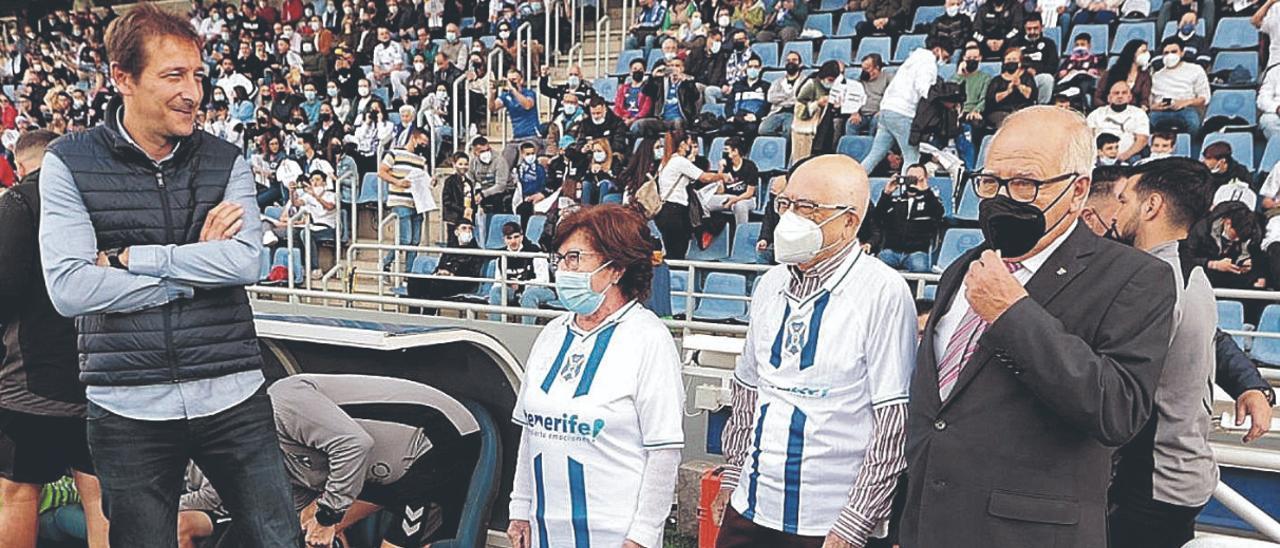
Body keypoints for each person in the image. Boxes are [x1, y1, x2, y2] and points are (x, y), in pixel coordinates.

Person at [38, 6, 301, 546]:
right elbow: (69, 288)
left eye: (198, 75)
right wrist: (194, 267)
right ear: (123, 79)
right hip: (125, 405)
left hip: (233, 395)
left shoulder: (226, 160)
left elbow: (247, 262)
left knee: (279, 539)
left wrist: (137, 258)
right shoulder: (69, 162)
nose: (193, 93)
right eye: (174, 76)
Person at [901, 106, 1177, 548]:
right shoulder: (964, 267)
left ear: (1077, 190)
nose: (1000, 197)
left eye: (1025, 184)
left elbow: (1119, 409)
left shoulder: (1136, 278)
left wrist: (1013, 314)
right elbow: (935, 412)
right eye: (990, 182)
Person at [709, 154, 915, 548]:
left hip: (831, 520)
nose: (789, 218)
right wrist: (733, 477)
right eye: (785, 204)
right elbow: (748, 389)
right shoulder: (770, 284)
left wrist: (854, 525)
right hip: (751, 508)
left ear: (849, 222)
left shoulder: (882, 292)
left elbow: (892, 420)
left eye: (806, 208)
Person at [1084, 158, 1268, 548]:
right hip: (1181, 478)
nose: (1116, 211)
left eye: (1124, 198)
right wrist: (1249, 384)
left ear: (1150, 206)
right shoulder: (1190, 272)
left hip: (1149, 484)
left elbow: (1111, 387)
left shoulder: (1150, 281)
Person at [506, 204, 684, 548]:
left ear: (616, 267)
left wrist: (642, 536)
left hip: (614, 536)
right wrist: (520, 507)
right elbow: (530, 432)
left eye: (575, 259)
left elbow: (663, 452)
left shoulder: (649, 339)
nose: (564, 271)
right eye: (560, 259)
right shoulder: (552, 334)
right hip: (545, 532)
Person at [178, 374, 483, 548]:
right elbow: (210, 496)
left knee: (338, 525)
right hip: (375, 469)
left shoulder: (283, 401)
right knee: (308, 527)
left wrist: (327, 518)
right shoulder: (248, 450)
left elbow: (354, 445)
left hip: (439, 437)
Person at [0, 130, 109, 548]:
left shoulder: (19, 201)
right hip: (100, 376)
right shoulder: (97, 200)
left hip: (30, 380)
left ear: (21, 164)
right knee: (99, 495)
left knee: (17, 490)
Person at [861, 37, 951, 175]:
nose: (944, 60)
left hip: (886, 111)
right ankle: (905, 193)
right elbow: (924, 88)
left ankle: (852, 186)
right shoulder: (928, 63)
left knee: (874, 156)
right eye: (944, 56)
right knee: (912, 159)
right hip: (902, 113)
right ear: (937, 50)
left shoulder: (912, 60)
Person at [655, 130, 734, 260]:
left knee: (671, 251)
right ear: (682, 144)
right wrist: (722, 176)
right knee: (678, 251)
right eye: (688, 143)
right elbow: (704, 178)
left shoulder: (666, 162)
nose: (690, 146)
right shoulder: (679, 161)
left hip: (664, 211)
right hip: (675, 211)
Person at [873, 164, 945, 272]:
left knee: (920, 268)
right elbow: (877, 217)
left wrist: (926, 191)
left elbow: (939, 213)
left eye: (917, 178)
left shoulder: (930, 201)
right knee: (876, 267)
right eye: (910, 177)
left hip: (916, 252)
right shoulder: (895, 200)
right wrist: (886, 193)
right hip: (892, 251)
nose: (912, 181)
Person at [378, 129, 431, 271]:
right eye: (422, 142)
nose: (424, 145)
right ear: (414, 138)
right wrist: (397, 182)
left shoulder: (421, 160)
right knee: (405, 239)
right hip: (400, 200)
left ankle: (409, 274)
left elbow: (423, 179)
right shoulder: (394, 153)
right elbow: (381, 171)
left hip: (417, 202)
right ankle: (385, 263)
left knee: (415, 241)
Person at [405, 221, 489, 310]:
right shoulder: (450, 248)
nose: (468, 231)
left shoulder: (476, 251)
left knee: (435, 284)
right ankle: (414, 314)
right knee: (414, 281)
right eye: (464, 228)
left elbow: (472, 272)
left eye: (470, 229)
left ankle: (428, 315)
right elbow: (441, 265)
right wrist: (439, 271)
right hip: (444, 280)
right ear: (456, 232)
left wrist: (452, 273)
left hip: (461, 282)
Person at [487, 222, 555, 323]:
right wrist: (508, 284)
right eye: (509, 238)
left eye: (516, 237)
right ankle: (495, 327)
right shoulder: (501, 256)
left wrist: (522, 285)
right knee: (496, 292)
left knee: (529, 295)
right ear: (504, 239)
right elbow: (498, 282)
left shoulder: (535, 252)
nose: (513, 241)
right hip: (513, 290)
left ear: (522, 237)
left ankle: (527, 331)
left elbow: (544, 280)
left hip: (542, 290)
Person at [1148, 38, 1210, 136]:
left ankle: (1190, 148)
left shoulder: (1196, 70)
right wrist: (1155, 106)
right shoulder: (1157, 75)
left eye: (1174, 52)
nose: (1170, 55)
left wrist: (1185, 102)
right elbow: (1151, 103)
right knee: (1147, 124)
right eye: (1166, 53)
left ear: (1182, 53)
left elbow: (1204, 98)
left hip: (1187, 109)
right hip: (1161, 111)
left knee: (1193, 124)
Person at [1086, 79, 1150, 164]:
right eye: (1116, 93)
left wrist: (1123, 157)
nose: (1120, 96)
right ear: (1109, 98)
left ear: (1130, 97)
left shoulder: (1139, 114)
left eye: (1124, 93)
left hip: (1128, 158)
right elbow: (1087, 137)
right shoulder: (1097, 114)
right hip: (1098, 159)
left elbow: (1142, 140)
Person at [490, 68, 543, 168]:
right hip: (516, 138)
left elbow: (527, 105)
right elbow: (492, 108)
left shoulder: (529, 93)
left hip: (531, 136)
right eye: (509, 80)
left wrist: (513, 90)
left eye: (514, 79)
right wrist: (492, 94)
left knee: (522, 161)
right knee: (504, 161)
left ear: (521, 80)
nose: (511, 82)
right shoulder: (506, 96)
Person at [702, 137, 758, 226]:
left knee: (740, 205)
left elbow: (749, 193)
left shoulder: (750, 166)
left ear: (735, 151)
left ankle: (741, 234)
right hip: (729, 197)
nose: (724, 152)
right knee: (704, 202)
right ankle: (708, 229)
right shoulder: (727, 166)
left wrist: (733, 200)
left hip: (746, 199)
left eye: (727, 150)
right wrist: (720, 171)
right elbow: (721, 191)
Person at [953, 45, 992, 168]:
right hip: (955, 112)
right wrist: (960, 75)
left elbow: (984, 98)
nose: (972, 60)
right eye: (969, 57)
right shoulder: (958, 77)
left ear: (980, 58)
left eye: (975, 57)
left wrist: (976, 110)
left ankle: (971, 167)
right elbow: (950, 91)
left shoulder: (985, 78)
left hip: (972, 113)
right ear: (964, 58)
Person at [984, 47, 1037, 129]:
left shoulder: (1027, 77)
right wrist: (1008, 91)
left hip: (1023, 111)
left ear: (1019, 62)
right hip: (1000, 112)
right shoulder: (996, 80)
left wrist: (1019, 86)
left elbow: (1031, 95)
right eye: (1008, 59)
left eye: (1014, 59)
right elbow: (991, 100)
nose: (1011, 62)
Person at [1012, 14, 1059, 104]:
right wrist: (1025, 70)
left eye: (1036, 28)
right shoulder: (1015, 43)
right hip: (1019, 77)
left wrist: (1035, 71)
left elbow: (1053, 66)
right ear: (1024, 28)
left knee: (1047, 78)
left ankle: (1041, 107)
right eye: (1029, 29)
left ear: (1042, 27)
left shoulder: (1049, 44)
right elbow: (1008, 62)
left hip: (1038, 78)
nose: (1032, 32)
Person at [1095, 40, 1153, 109]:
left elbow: (1144, 99)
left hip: (1133, 113)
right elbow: (1098, 97)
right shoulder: (1111, 73)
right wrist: (1108, 108)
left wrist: (1143, 107)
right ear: (1132, 53)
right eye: (1143, 51)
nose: (1147, 54)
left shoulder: (1145, 75)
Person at [758, 51, 805, 136]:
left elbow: (801, 99)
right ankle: (780, 140)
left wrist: (782, 98)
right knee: (763, 130)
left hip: (794, 113)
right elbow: (771, 98)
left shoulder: (805, 81)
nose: (791, 62)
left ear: (800, 64)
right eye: (788, 60)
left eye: (794, 60)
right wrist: (790, 97)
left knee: (789, 132)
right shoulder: (777, 82)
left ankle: (785, 146)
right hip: (777, 111)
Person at [846, 54, 893, 137]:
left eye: (867, 68)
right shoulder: (860, 79)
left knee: (876, 122)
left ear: (877, 68)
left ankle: (870, 147)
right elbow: (853, 97)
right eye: (863, 68)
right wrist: (854, 112)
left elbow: (892, 97)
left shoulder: (888, 78)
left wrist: (882, 111)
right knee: (851, 124)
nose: (864, 71)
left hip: (878, 113)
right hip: (862, 115)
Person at [442, 152, 482, 243]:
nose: (463, 167)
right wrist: (463, 210)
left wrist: (472, 210)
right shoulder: (450, 181)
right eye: (460, 164)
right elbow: (447, 201)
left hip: (467, 218)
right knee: (453, 243)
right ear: (454, 164)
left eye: (466, 164)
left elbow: (471, 199)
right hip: (454, 218)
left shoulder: (469, 182)